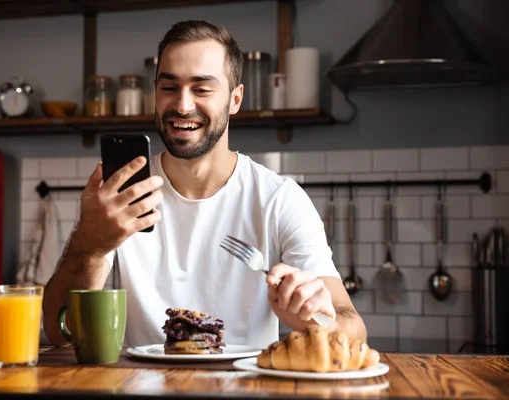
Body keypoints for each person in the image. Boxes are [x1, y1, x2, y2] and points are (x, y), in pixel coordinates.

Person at [42, 20, 367, 349]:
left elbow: (352, 329)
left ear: (235, 99)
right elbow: (59, 334)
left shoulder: (279, 199)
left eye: (202, 88)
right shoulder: (123, 195)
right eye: (169, 87)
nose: (182, 105)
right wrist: (90, 246)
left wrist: (315, 318)